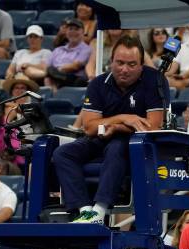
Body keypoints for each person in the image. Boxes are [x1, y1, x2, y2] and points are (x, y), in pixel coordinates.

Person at [52, 35, 169, 224]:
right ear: (111, 61)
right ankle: (85, 211)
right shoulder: (98, 84)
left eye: (131, 64)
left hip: (135, 144)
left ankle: (100, 209)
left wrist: (115, 127)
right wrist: (124, 118)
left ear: (141, 65)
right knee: (62, 153)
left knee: (116, 147)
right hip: (101, 137)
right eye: (119, 63)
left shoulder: (155, 81)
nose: (124, 69)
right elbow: (89, 127)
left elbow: (151, 127)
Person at [45, 19, 91, 92]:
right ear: (66, 32)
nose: (73, 32)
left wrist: (57, 70)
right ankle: (54, 96)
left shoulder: (86, 49)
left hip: (73, 78)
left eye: (76, 29)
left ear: (83, 32)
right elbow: (47, 66)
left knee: (50, 75)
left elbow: (75, 66)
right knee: (48, 77)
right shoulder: (58, 50)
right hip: (54, 78)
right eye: (70, 29)